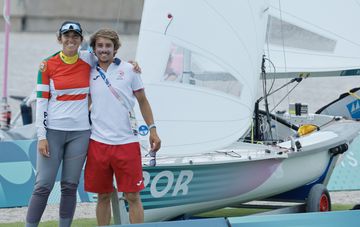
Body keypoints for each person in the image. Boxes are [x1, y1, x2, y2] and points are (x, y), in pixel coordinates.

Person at [26, 21, 140, 227]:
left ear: (80, 40)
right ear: (59, 38)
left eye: (75, 36)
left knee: (70, 187)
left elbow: (112, 60)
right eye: (66, 36)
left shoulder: (88, 59)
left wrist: (132, 65)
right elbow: (42, 102)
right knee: (43, 186)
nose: (71, 40)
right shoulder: (47, 65)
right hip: (52, 132)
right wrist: (41, 135)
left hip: (80, 133)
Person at [84, 28, 161, 225]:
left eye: (108, 46)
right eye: (100, 46)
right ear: (93, 48)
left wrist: (153, 129)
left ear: (115, 48)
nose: (104, 50)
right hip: (98, 143)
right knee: (102, 197)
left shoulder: (129, 70)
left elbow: (143, 101)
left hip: (127, 143)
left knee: (132, 197)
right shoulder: (88, 70)